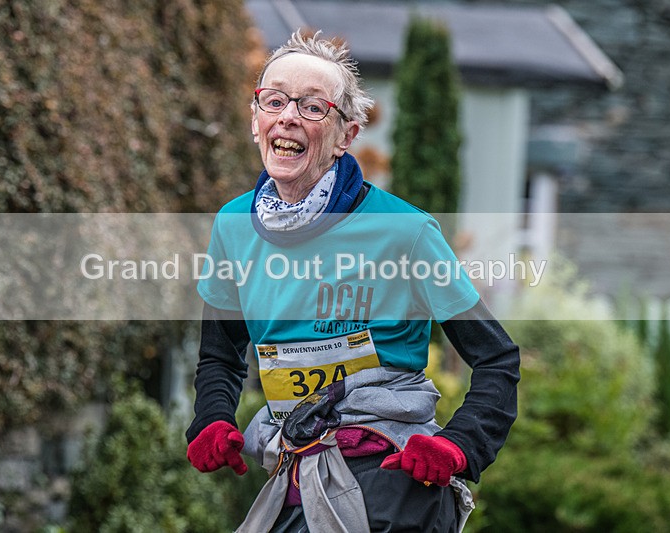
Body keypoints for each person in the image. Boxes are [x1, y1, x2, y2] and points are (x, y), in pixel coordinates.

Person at [186, 30, 519, 533]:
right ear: (256, 121)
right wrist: (211, 419)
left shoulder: (406, 231)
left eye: (313, 107)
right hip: (293, 475)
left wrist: (458, 446)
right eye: (274, 100)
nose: (289, 115)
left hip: (395, 483)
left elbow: (496, 358)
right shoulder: (233, 227)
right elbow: (219, 353)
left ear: (347, 135)